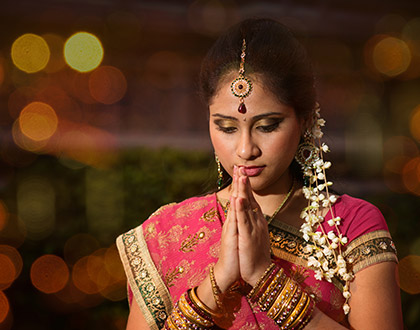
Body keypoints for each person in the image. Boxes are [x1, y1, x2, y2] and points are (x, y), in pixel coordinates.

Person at [116, 18, 403, 329]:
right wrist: (218, 281)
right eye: (226, 127)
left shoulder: (351, 226)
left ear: (305, 120)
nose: (245, 149)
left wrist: (265, 279)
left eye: (267, 126)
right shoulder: (166, 232)